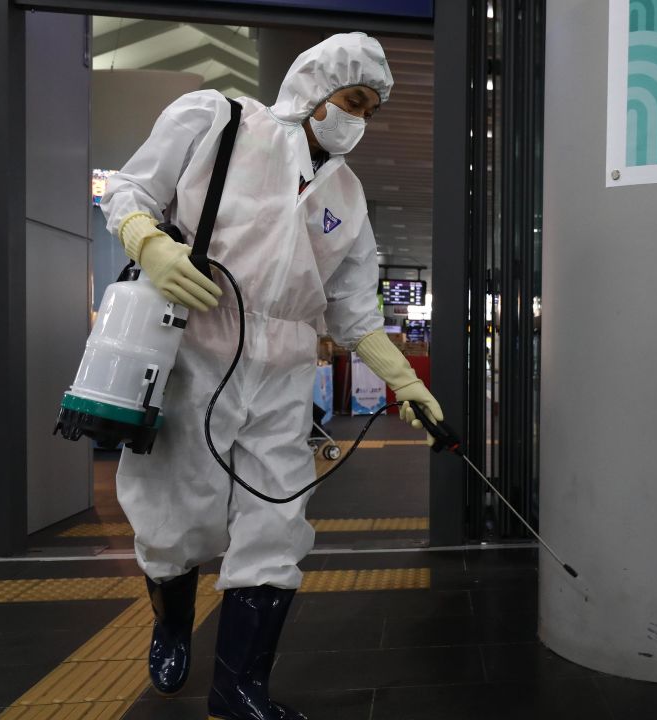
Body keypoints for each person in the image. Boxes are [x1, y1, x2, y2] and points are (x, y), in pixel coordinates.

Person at [100, 34, 444, 720]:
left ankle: (238, 691)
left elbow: (353, 309)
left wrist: (405, 381)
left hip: (285, 372)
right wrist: (152, 244)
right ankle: (171, 621)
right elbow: (131, 189)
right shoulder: (217, 119)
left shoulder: (347, 192)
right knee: (175, 521)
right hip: (196, 350)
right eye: (352, 100)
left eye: (371, 109)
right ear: (315, 88)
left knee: (278, 523)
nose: (359, 120)